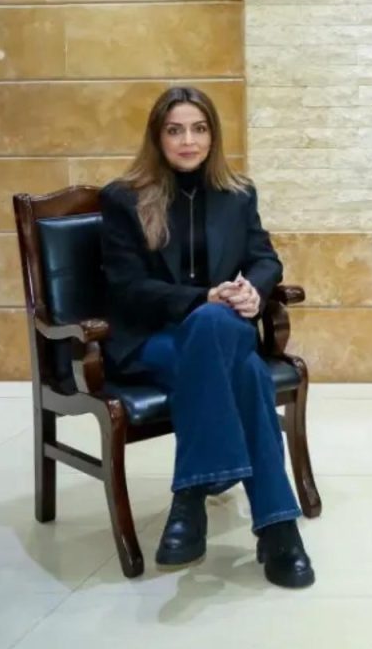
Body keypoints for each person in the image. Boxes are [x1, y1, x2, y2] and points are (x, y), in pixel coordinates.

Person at [99, 86, 314, 588]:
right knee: (246, 372)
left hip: (218, 331)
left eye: (198, 129)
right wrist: (203, 299)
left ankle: (190, 500)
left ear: (213, 135)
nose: (188, 141)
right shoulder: (123, 198)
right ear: (157, 137)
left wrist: (254, 290)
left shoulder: (237, 194)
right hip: (153, 337)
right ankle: (278, 528)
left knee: (216, 327)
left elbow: (265, 260)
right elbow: (127, 289)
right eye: (175, 130)